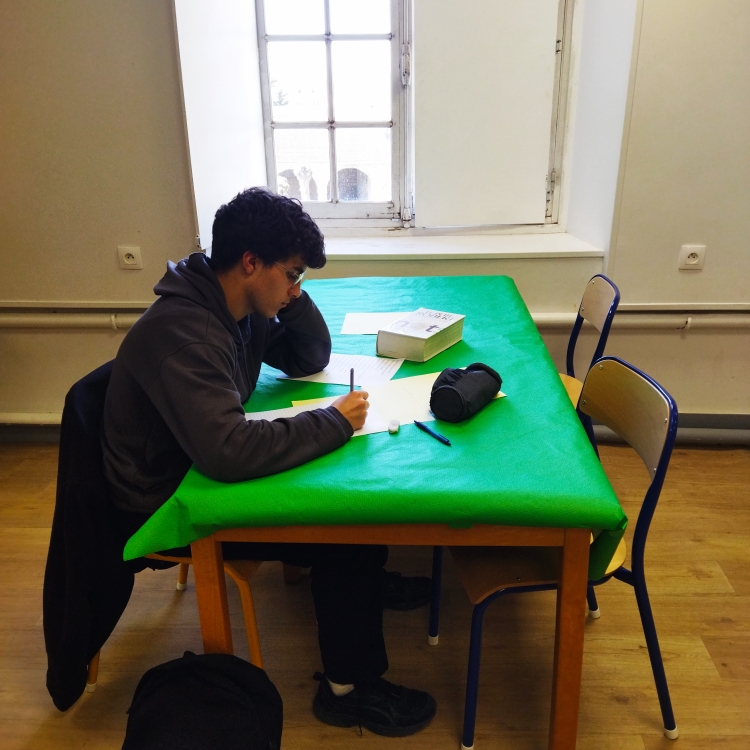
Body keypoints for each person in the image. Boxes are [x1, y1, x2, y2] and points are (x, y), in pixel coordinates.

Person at [101, 187, 437, 736]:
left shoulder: (234, 305)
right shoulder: (186, 333)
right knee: (345, 526)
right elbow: (228, 452)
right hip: (172, 499)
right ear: (250, 262)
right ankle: (347, 691)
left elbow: (309, 357)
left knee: (352, 505)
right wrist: (333, 422)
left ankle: (364, 589)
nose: (295, 287)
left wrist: (292, 297)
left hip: (198, 463)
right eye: (292, 274)